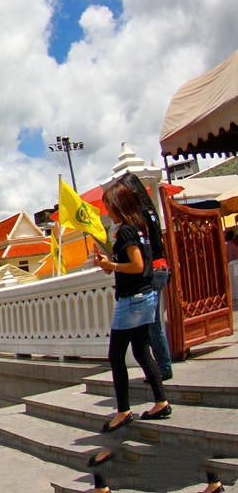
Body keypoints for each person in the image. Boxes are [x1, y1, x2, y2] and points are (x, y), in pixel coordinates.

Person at [93, 182, 170, 433]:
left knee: (116, 356)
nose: (107, 211)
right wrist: (110, 263)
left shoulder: (127, 231)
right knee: (141, 350)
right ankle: (160, 400)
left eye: (108, 206)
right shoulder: (140, 227)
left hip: (132, 299)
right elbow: (135, 263)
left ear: (118, 206)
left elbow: (136, 265)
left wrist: (113, 266)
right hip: (146, 296)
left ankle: (124, 410)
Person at [116, 171, 172, 380]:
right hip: (160, 266)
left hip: (153, 270)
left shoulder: (138, 218)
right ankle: (162, 366)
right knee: (152, 324)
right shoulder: (151, 212)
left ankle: (163, 369)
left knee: (152, 326)